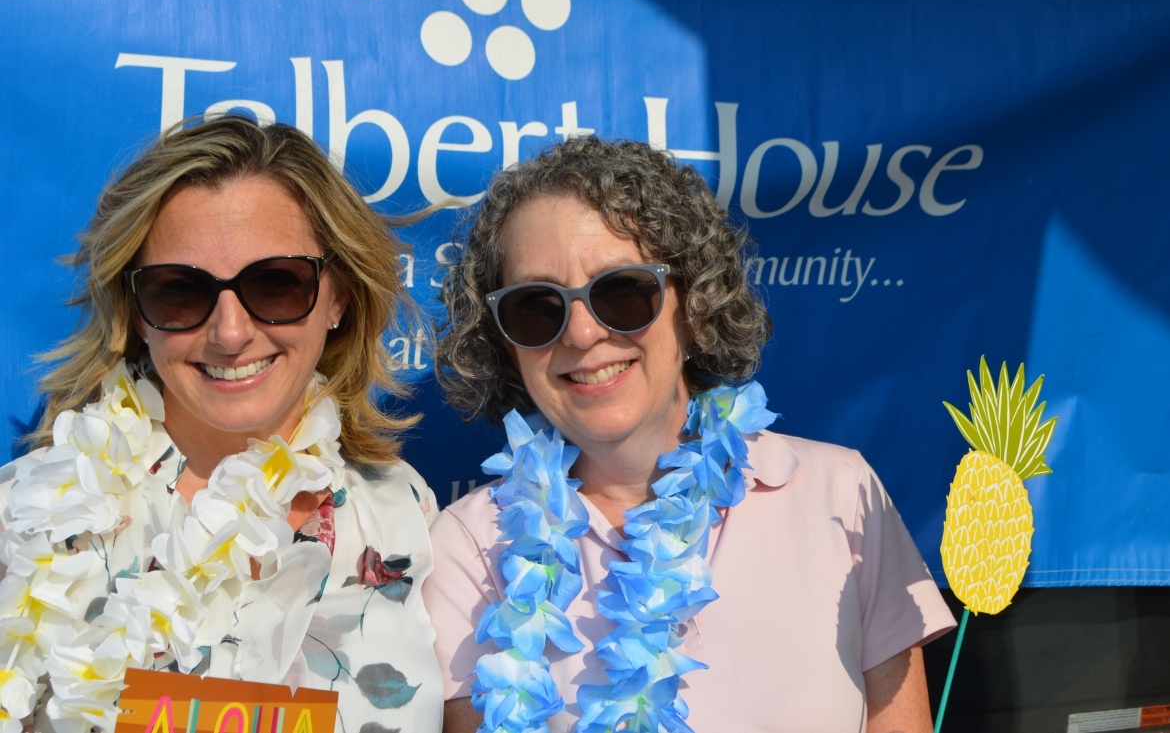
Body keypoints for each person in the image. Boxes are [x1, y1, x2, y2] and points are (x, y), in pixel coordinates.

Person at [424, 137, 956, 733]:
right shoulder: (470, 548)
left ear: (695, 302)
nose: (579, 333)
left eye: (622, 292)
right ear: (503, 341)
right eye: (536, 306)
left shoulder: (840, 494)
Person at [0, 116, 443, 733]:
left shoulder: (405, 510)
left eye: (276, 283)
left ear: (338, 295)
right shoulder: (23, 521)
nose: (231, 333)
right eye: (179, 290)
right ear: (136, 311)